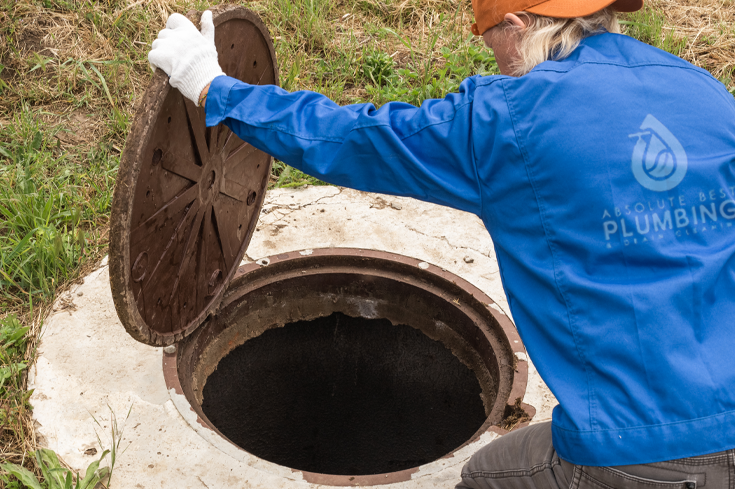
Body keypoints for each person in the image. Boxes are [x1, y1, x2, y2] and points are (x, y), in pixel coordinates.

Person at [148, 1, 735, 488]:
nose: (499, 63)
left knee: (486, 476)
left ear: (521, 24)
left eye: (490, 39)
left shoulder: (510, 118)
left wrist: (215, 87)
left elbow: (352, 139)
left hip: (646, 453)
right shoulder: (705, 93)